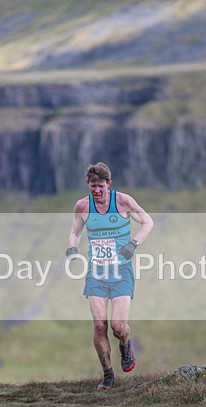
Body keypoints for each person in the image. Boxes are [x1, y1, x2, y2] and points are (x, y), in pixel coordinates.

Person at [67, 162, 154, 390]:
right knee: (98, 326)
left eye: (100, 186)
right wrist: (72, 247)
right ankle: (107, 375)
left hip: (121, 272)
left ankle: (125, 345)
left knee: (117, 325)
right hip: (96, 273)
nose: (96, 190)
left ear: (109, 185)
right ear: (88, 184)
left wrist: (134, 244)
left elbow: (147, 222)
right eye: (92, 186)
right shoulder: (83, 206)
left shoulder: (123, 201)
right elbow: (75, 231)